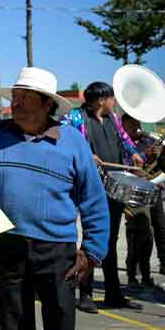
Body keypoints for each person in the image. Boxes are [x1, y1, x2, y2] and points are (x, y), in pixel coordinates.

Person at [0, 67, 109, 330]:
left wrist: (92, 252)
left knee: (60, 321)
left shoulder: (73, 141)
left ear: (47, 104)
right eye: (15, 96)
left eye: (26, 97)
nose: (16, 103)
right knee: (14, 324)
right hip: (6, 246)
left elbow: (94, 199)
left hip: (57, 251)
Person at [62, 82, 144, 312]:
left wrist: (134, 153)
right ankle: (85, 295)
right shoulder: (76, 118)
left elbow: (125, 139)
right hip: (89, 187)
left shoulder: (114, 119)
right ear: (100, 100)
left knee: (109, 241)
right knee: (92, 240)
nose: (114, 102)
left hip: (113, 186)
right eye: (111, 98)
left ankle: (113, 293)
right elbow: (61, 135)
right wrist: (87, 154)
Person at [121, 114, 165, 285]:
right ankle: (132, 274)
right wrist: (143, 155)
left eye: (137, 122)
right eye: (131, 123)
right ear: (124, 125)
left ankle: (146, 274)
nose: (136, 125)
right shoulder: (123, 144)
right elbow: (128, 170)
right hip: (134, 196)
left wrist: (156, 157)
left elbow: (155, 168)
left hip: (152, 193)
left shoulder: (147, 141)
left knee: (151, 235)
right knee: (136, 235)